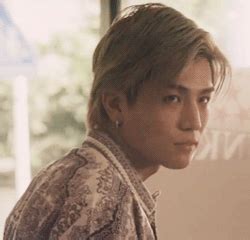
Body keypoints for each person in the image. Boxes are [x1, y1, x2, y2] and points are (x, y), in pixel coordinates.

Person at [4, 3, 230, 240]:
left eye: (203, 99)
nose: (193, 122)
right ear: (115, 104)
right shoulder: (107, 208)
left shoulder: (68, 174)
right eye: (172, 99)